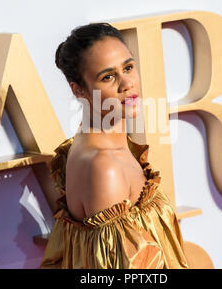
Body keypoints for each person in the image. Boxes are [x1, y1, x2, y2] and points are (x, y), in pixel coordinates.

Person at [40, 22, 189, 269]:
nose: (127, 84)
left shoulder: (100, 146)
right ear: (78, 90)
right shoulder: (104, 167)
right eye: (108, 77)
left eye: (128, 68)